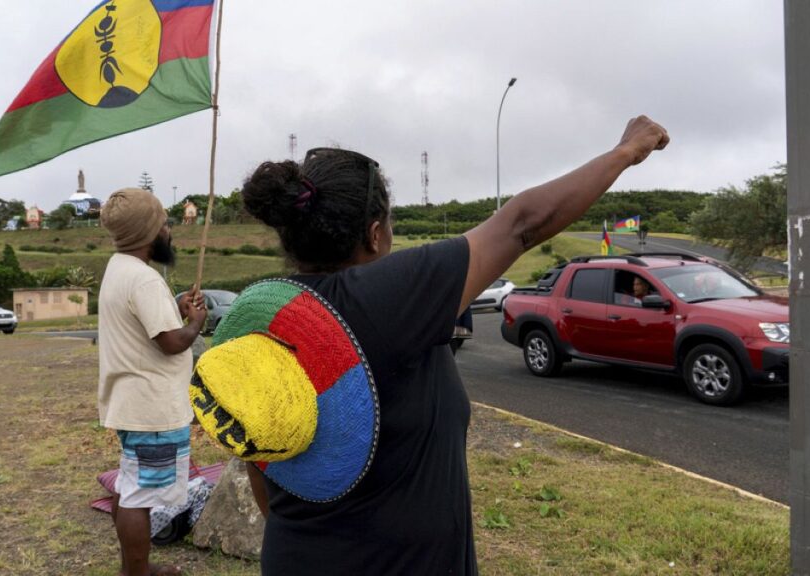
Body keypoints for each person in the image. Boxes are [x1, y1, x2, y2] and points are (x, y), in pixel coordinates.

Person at [234, 116, 668, 575]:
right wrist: (625, 152)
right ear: (375, 233)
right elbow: (522, 224)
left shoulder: (259, 315)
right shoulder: (385, 298)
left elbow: (258, 459)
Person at [97, 188, 207, 576]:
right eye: (164, 223)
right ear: (149, 231)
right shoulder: (143, 280)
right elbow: (171, 343)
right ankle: (137, 573)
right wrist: (195, 323)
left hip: (132, 403)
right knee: (139, 496)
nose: (169, 230)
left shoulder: (118, 268)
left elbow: (149, 327)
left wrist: (176, 311)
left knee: (130, 485)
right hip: (152, 409)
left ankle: (134, 568)